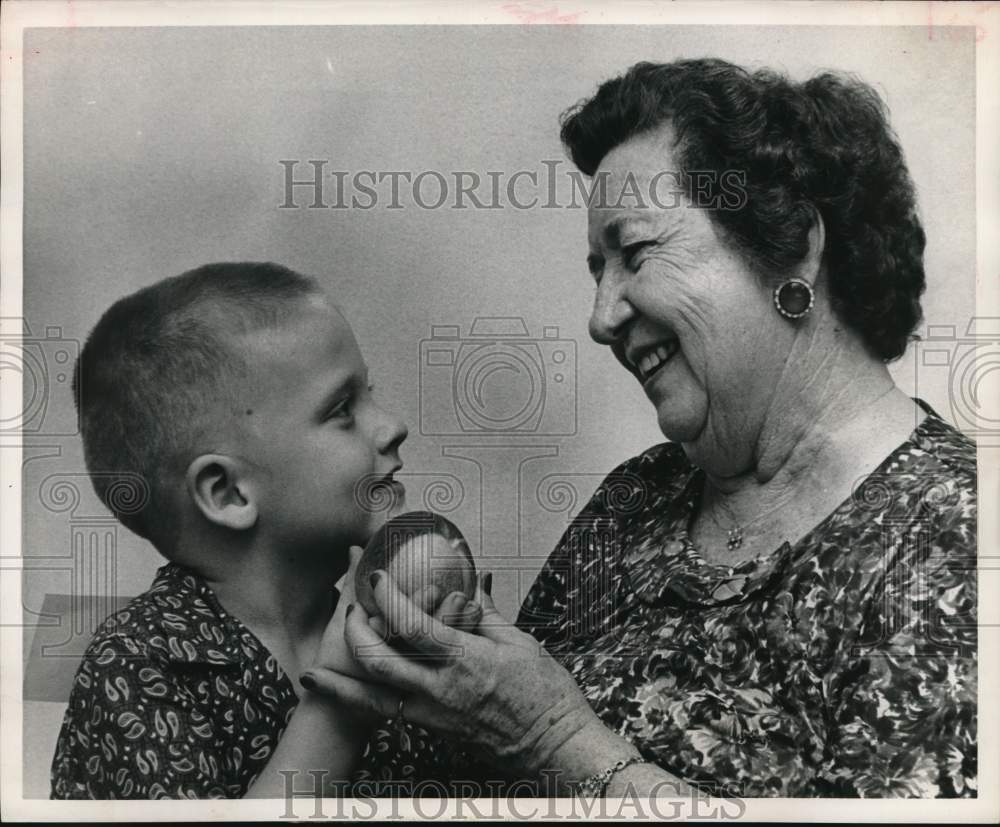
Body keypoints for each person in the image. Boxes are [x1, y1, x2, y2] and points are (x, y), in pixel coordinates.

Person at [304, 59, 978, 798]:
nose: (601, 317)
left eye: (637, 251)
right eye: (598, 269)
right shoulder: (638, 497)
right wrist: (429, 661)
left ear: (794, 248)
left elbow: (539, 733)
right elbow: (473, 769)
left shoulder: (958, 537)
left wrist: (555, 736)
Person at [50, 262, 479, 799]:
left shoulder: (392, 622)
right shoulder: (138, 665)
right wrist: (343, 701)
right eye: (342, 409)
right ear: (228, 493)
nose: (393, 427)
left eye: (371, 394)